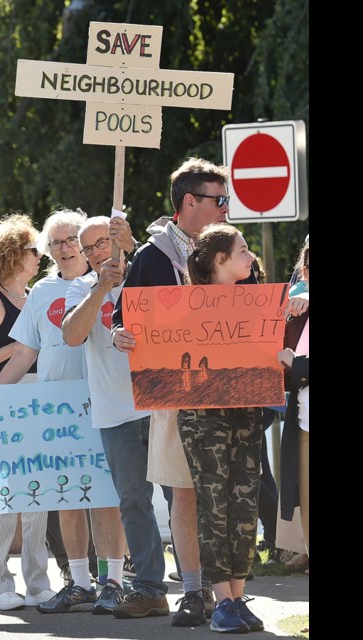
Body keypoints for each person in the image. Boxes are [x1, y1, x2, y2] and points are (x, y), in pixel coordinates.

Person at [110, 157, 239, 622]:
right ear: (190, 202)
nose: (226, 208)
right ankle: (193, 591)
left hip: (226, 393)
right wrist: (117, 334)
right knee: (184, 493)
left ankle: (227, 592)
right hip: (176, 394)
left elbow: (255, 306)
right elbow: (125, 316)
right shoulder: (152, 257)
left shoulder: (232, 250)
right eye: (219, 200)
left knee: (222, 493)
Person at [0, 208, 99, 616]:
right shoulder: (40, 293)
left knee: (110, 498)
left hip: (103, 401)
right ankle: (79, 581)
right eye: (55, 243)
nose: (64, 248)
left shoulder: (106, 281)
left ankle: (116, 580)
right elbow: (25, 354)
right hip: (60, 410)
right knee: (69, 496)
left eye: (71, 239)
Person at [0, 213, 55, 611]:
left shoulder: (35, 294)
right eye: (33, 249)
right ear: (14, 256)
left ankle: (37, 583)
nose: (40, 255)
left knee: (40, 496)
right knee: (5, 496)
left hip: (39, 397)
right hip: (4, 395)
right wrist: (15, 349)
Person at [178, 223, 265, 633]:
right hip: (202, 416)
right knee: (214, 504)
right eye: (243, 250)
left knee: (245, 503)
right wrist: (124, 334)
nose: (251, 257)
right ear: (220, 260)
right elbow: (147, 334)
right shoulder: (182, 306)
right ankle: (222, 601)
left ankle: (238, 595)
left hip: (246, 412)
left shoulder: (257, 302)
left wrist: (294, 315)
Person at [59, 214, 141, 616]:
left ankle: (196, 586)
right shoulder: (81, 286)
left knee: (181, 498)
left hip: (159, 404)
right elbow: (72, 336)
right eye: (87, 247)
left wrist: (128, 268)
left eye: (101, 244)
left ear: (118, 241)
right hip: (113, 410)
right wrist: (102, 288)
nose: (94, 253)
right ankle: (116, 583)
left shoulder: (145, 269)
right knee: (127, 502)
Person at [278, 237, 309, 574]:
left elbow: (293, 366)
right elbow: (278, 371)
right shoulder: (296, 312)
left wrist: (296, 365)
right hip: (303, 426)